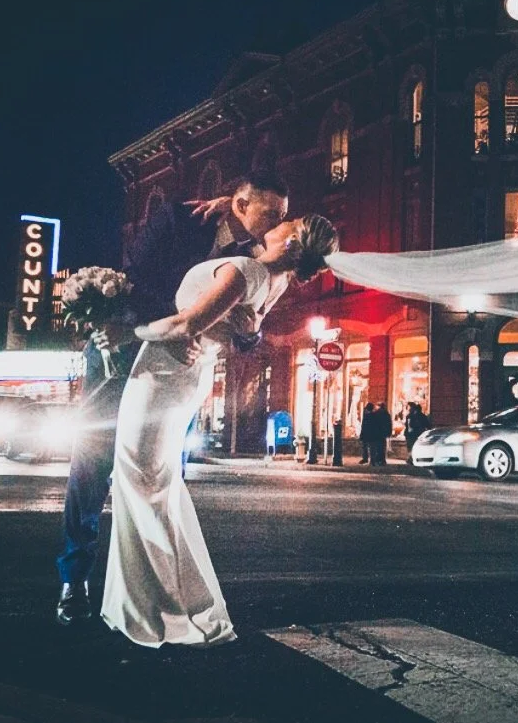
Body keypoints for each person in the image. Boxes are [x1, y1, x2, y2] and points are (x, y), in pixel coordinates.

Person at [55, 174, 289, 626]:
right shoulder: (181, 219)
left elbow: (250, 329)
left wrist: (246, 332)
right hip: (124, 351)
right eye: (270, 213)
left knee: (160, 476)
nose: (277, 222)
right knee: (93, 461)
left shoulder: (257, 258)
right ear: (240, 203)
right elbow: (135, 279)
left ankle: (154, 587)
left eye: (282, 216)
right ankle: (74, 576)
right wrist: (180, 325)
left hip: (180, 373)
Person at [100, 215, 336, 648]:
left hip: (164, 373)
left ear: (291, 244)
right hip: (183, 376)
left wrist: (124, 333)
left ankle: (162, 609)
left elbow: (186, 325)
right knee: (152, 487)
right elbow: (227, 329)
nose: (281, 222)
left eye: (291, 222)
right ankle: (155, 601)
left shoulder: (246, 271)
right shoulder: (271, 279)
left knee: (141, 484)